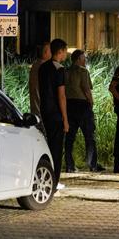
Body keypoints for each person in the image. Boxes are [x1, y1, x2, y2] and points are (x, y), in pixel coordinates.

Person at [64, 50, 104, 172]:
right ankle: (92, 164)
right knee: (89, 136)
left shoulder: (65, 71)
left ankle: (69, 165)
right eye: (83, 58)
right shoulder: (83, 71)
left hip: (69, 105)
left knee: (70, 137)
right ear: (78, 59)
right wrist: (91, 103)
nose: (85, 60)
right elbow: (86, 89)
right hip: (82, 105)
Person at [38, 39, 69, 189]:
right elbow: (61, 95)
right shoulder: (60, 69)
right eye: (65, 51)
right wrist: (65, 119)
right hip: (56, 114)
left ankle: (45, 177)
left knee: (48, 147)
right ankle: (54, 182)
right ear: (61, 51)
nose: (66, 54)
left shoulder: (42, 68)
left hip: (45, 111)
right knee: (56, 149)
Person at [29, 42, 51, 125]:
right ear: (45, 53)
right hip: (43, 111)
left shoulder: (36, 65)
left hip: (36, 109)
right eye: (50, 51)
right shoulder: (44, 67)